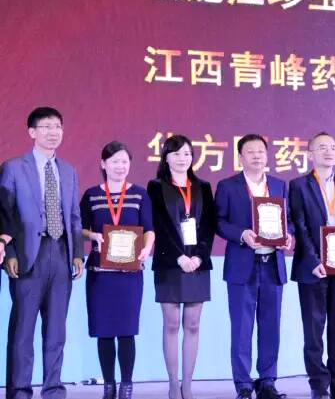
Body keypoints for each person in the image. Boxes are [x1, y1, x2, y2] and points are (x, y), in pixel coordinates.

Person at [0, 106, 84, 399]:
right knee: (23, 331)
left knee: (56, 330)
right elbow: (4, 213)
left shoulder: (68, 170)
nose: (53, 132)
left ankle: (53, 389)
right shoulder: (13, 168)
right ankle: (19, 391)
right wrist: (10, 252)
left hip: (61, 254)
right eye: (46, 126)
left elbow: (74, 216)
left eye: (58, 126)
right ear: (32, 132)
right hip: (27, 256)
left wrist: (77, 253)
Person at [215, 134, 293, 399]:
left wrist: (289, 236)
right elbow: (219, 222)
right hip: (242, 265)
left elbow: (289, 220)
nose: (257, 156)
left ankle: (268, 382)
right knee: (241, 328)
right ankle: (244, 385)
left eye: (261, 151)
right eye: (251, 151)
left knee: (271, 327)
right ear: (240, 157)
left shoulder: (279, 185)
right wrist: (241, 234)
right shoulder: (228, 186)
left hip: (272, 265)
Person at [289, 132, 335, 399]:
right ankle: (318, 385)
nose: (329, 151)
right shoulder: (299, 185)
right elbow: (300, 226)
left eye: (333, 147)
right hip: (313, 269)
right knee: (314, 331)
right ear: (310, 154)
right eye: (322, 147)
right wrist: (313, 261)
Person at [79, 141, 155, 399]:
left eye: (124, 161)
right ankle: (109, 385)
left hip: (129, 275)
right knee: (104, 331)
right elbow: (79, 228)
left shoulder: (139, 194)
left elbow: (149, 229)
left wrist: (147, 248)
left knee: (126, 331)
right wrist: (93, 236)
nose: (120, 166)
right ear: (103, 164)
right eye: (114, 162)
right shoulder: (91, 195)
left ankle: (126, 385)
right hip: (100, 275)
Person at [147, 135, 216, 399]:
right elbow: (158, 225)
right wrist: (178, 257)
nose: (182, 158)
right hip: (170, 262)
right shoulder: (156, 186)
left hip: (197, 263)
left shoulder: (203, 187)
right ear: (166, 157)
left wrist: (198, 257)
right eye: (176, 153)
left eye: (187, 153)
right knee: (172, 323)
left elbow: (209, 225)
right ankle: (173, 384)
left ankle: (188, 384)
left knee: (193, 324)